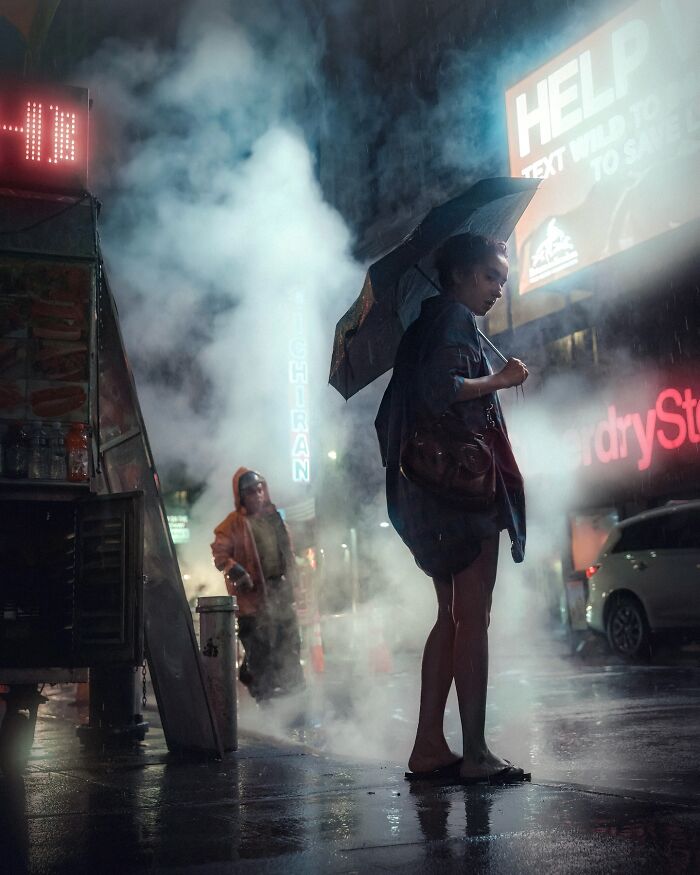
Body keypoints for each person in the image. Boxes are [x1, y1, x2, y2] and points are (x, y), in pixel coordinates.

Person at [375, 233, 529, 785]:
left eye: (503, 281)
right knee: (473, 619)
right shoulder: (452, 323)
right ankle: (477, 753)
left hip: (431, 495)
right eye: (490, 276)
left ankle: (428, 746)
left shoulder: (425, 326)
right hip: (463, 495)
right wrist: (501, 379)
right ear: (461, 274)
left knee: (451, 616)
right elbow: (443, 389)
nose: (497, 289)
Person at [211, 468, 305, 701]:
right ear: (242, 496)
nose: (257, 495)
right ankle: (264, 697)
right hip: (252, 599)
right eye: (251, 492)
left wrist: (295, 585)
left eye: (260, 489)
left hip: (280, 592)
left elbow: (287, 554)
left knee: (289, 641)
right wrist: (237, 571)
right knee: (258, 648)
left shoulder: (274, 518)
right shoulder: (233, 523)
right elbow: (220, 553)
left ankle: (295, 693)